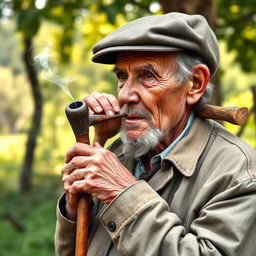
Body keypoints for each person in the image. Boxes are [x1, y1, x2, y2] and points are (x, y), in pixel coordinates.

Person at [55, 12, 256, 256]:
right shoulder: (118, 153)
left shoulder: (237, 172)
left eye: (147, 76)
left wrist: (123, 193)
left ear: (194, 83)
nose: (125, 95)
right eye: (121, 76)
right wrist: (74, 208)